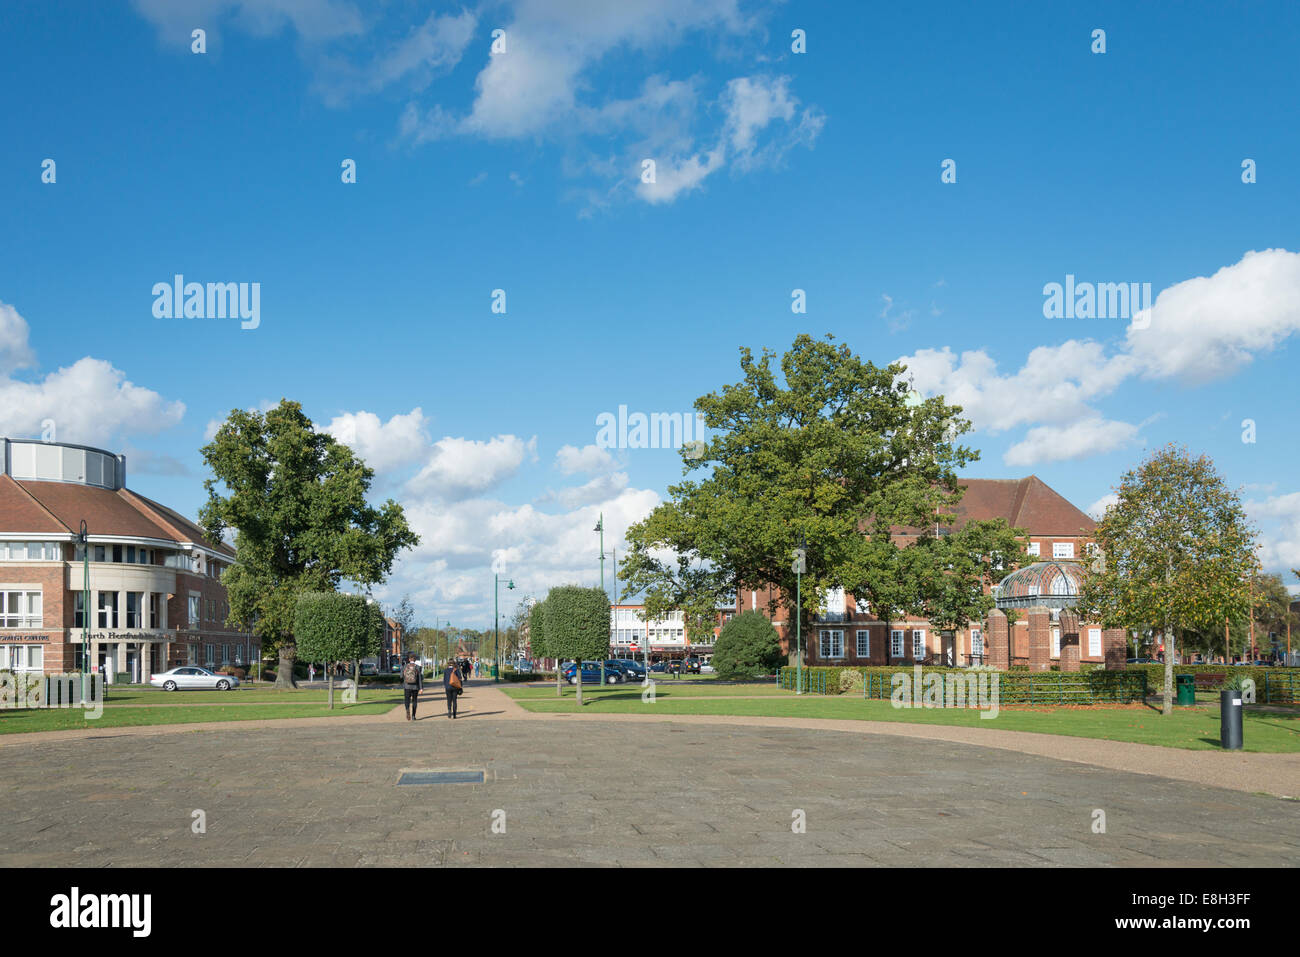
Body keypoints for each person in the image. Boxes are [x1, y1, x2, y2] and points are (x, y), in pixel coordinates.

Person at [401, 653, 422, 721]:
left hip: (407, 686)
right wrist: (421, 688)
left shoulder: (405, 666)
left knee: (407, 700)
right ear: (415, 659)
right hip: (415, 687)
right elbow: (419, 679)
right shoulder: (418, 667)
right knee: (414, 701)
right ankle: (413, 716)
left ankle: (407, 710)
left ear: (409, 659)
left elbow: (401, 676)